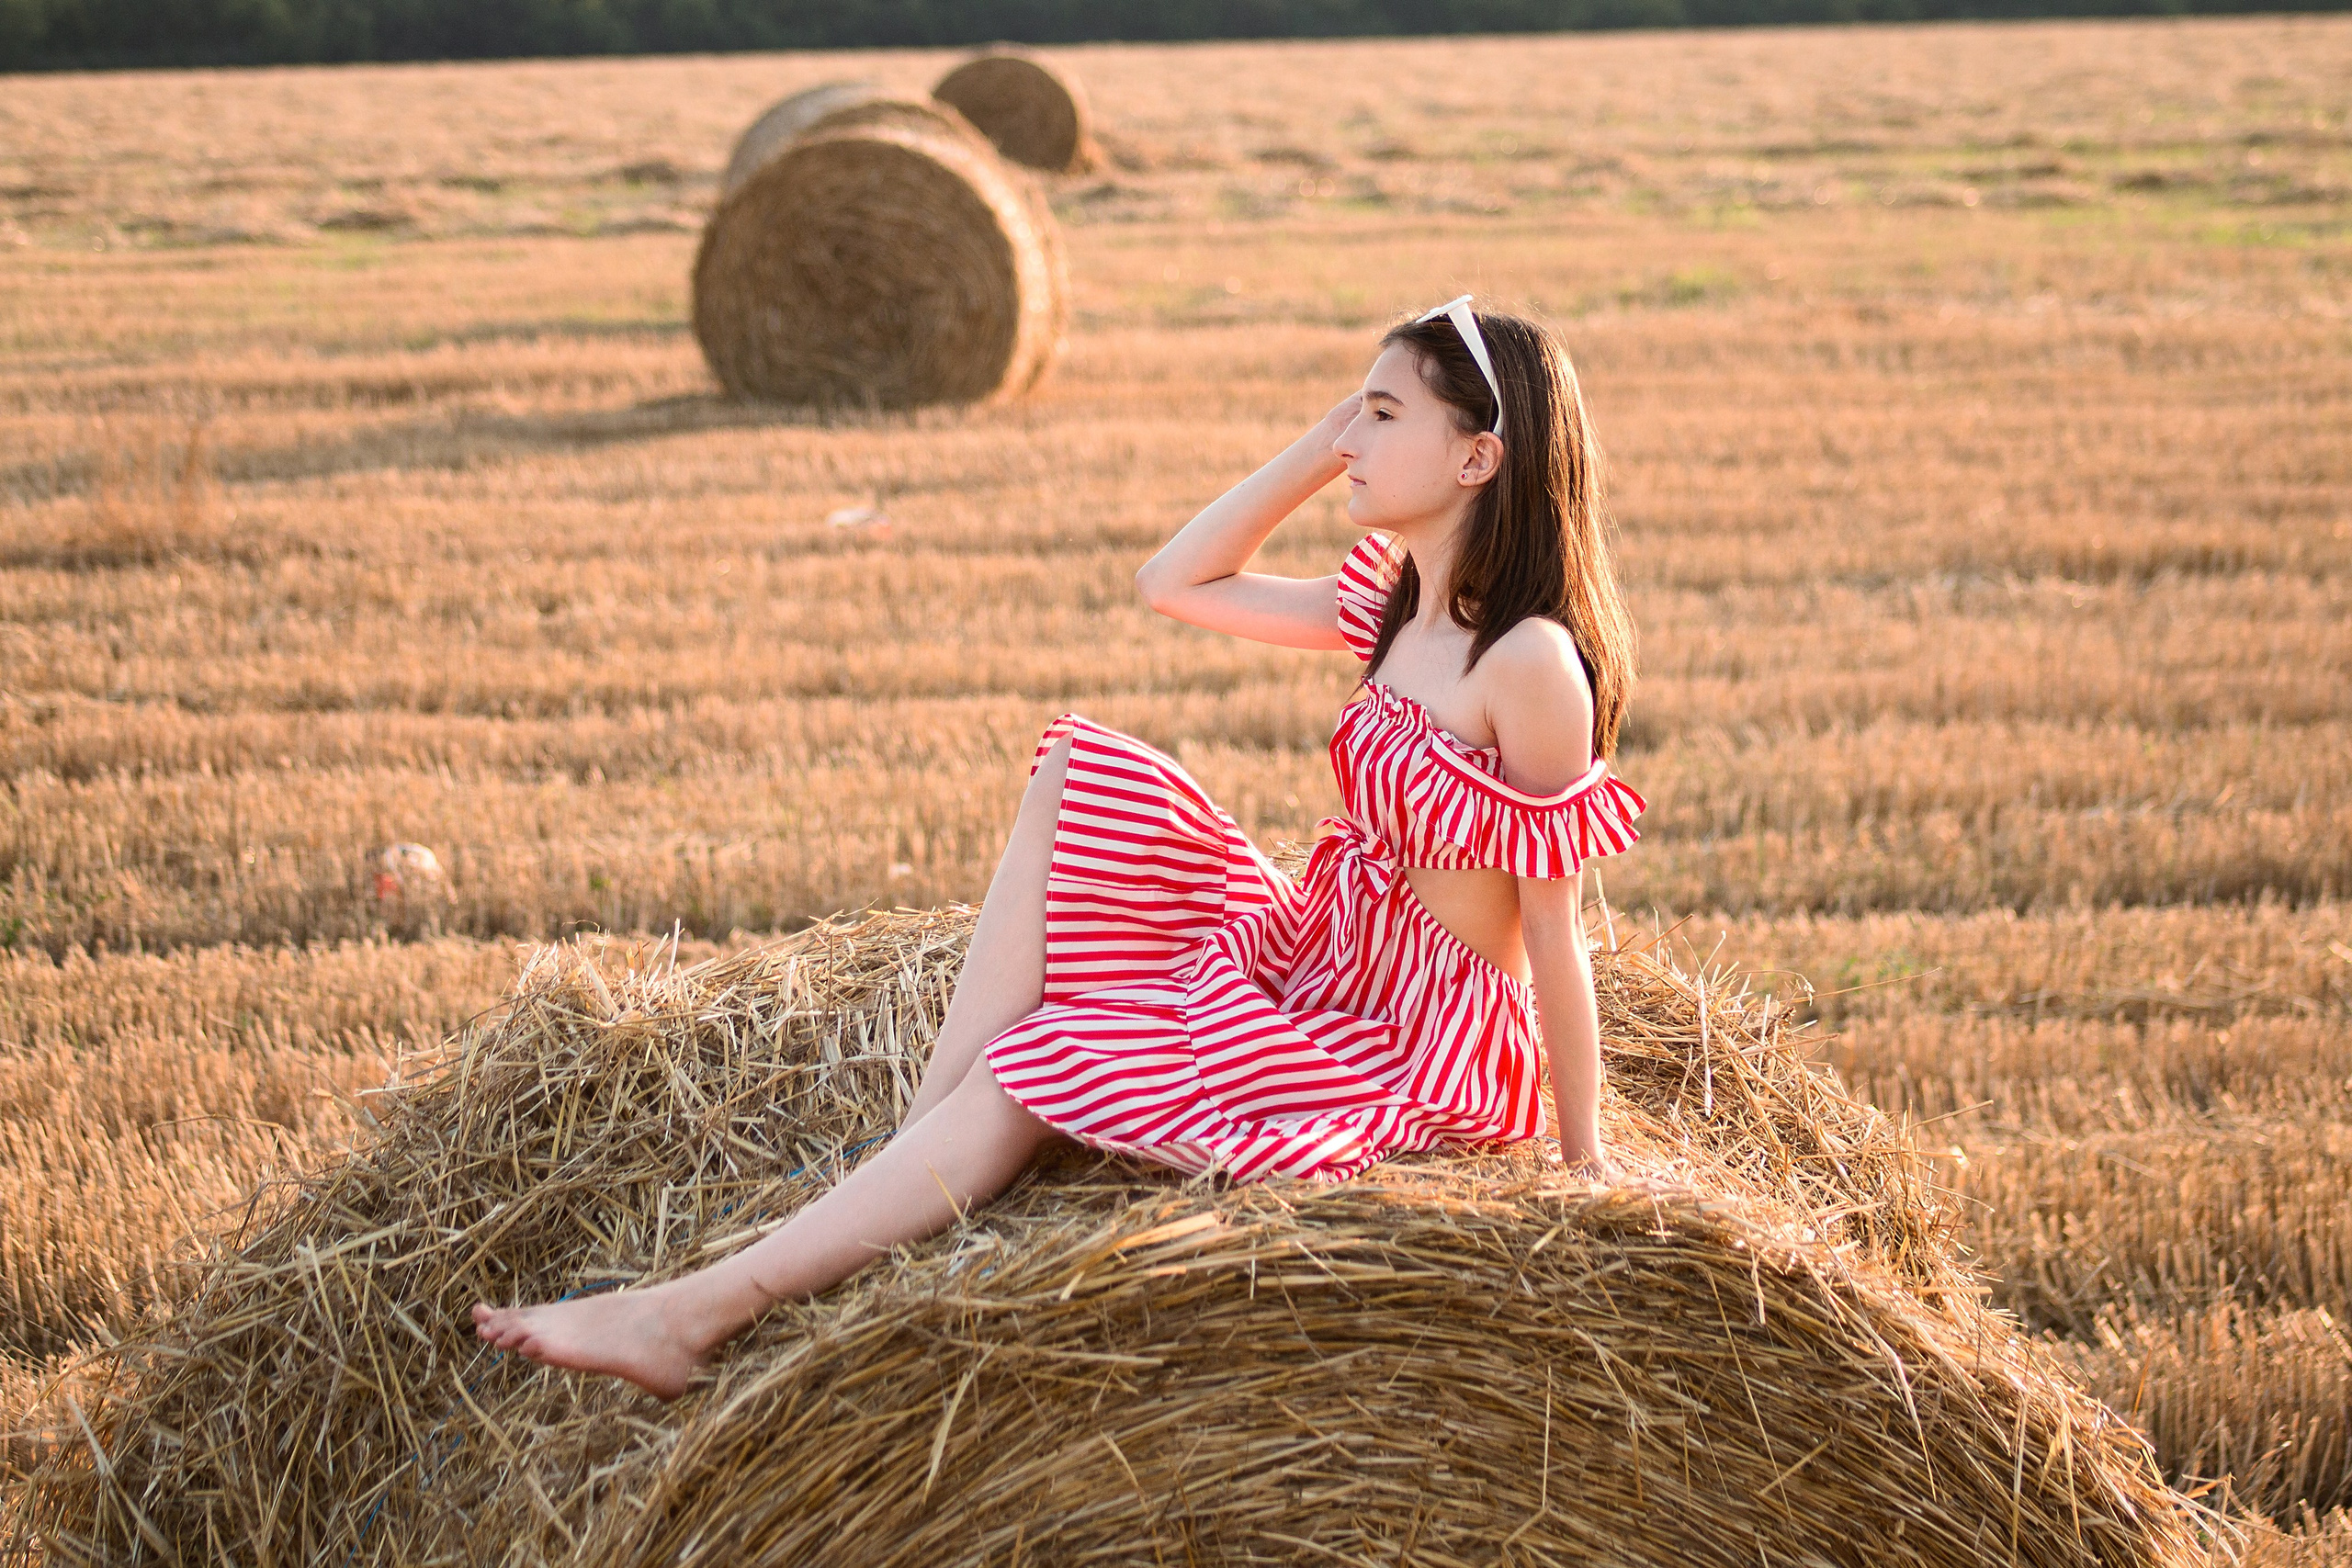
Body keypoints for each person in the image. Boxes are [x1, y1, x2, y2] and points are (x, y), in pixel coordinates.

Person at [471, 295, 1644, 1400]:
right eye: (1356, 413)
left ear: (1476, 457)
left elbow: (1553, 924)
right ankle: (913, 1146)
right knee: (1083, 769)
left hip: (1402, 1038)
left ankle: (689, 1317)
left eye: (1383, 417)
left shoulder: (1527, 663)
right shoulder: (1396, 611)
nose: (1354, 442)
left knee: (1046, 1063)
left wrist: (1580, 1164)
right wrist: (1317, 441)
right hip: (1313, 952)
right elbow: (1174, 581)